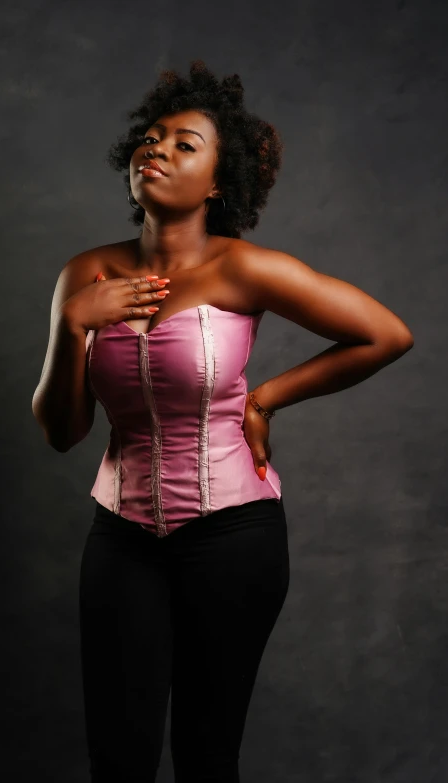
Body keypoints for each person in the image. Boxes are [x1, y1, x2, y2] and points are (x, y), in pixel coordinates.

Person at [32, 60, 414, 783]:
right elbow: (62, 430)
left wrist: (265, 398)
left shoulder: (246, 269)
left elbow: (386, 334)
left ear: (217, 181)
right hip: (121, 538)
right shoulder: (85, 274)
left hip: (234, 536)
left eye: (184, 144)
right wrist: (71, 326)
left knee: (208, 756)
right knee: (118, 757)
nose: (158, 149)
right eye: (151, 137)